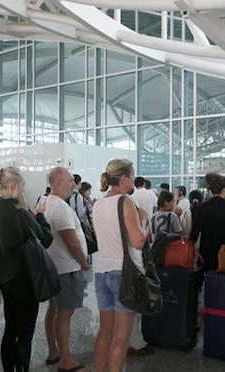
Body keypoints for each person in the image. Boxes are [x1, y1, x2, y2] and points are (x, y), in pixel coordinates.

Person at [0, 166, 53, 372]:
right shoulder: (20, 214)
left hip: (5, 280)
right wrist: (40, 215)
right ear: (15, 185)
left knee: (11, 328)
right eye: (23, 185)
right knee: (25, 332)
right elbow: (47, 239)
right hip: (24, 279)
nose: (24, 189)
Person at [92, 159, 148, 372]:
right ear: (124, 179)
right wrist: (143, 220)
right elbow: (138, 241)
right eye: (132, 176)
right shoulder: (124, 202)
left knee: (105, 332)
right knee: (121, 337)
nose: (133, 181)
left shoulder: (98, 203)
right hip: (124, 274)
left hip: (102, 272)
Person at [43, 167, 90, 372]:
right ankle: (67, 360)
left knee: (54, 310)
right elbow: (71, 242)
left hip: (54, 266)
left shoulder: (44, 201)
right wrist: (84, 262)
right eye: (71, 180)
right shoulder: (60, 207)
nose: (74, 184)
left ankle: (54, 351)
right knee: (65, 313)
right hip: (66, 268)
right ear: (59, 182)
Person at [190, 173, 225, 277]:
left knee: (207, 286)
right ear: (224, 189)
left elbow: (194, 233)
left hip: (206, 254)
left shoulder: (202, 208)